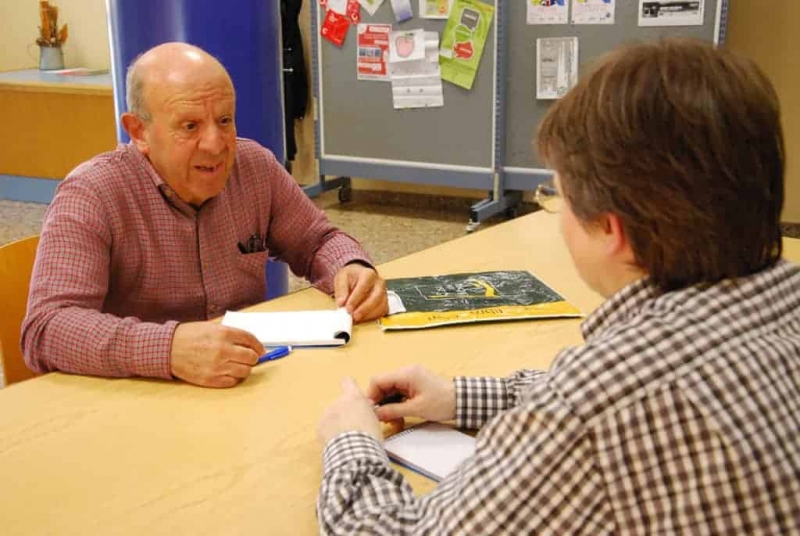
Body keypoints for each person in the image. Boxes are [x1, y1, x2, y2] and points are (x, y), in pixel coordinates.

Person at [316, 39, 800, 533]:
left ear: (614, 231)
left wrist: (351, 440)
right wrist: (461, 396)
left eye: (556, 196)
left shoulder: (598, 402)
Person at [22, 43, 388, 389]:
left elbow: (318, 240)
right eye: (190, 126)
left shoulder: (255, 168)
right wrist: (166, 349)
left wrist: (349, 267)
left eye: (225, 120)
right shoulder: (92, 193)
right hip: (137, 398)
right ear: (139, 131)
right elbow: (47, 329)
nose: (215, 144)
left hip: (246, 385)